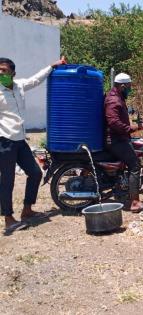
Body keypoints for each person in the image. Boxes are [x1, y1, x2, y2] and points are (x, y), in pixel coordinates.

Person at [0, 56, 66, 232]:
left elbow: (36, 79)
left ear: (13, 73)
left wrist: (53, 66)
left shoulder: (19, 85)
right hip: (4, 141)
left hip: (20, 140)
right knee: (7, 180)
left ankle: (27, 210)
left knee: (36, 173)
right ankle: (8, 219)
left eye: (4, 70)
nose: (1, 73)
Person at [104, 73, 143, 213]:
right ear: (122, 86)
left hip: (119, 138)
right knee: (135, 165)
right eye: (129, 87)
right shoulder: (114, 100)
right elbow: (113, 122)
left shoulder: (117, 97)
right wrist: (132, 129)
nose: (130, 89)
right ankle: (135, 202)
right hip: (116, 140)